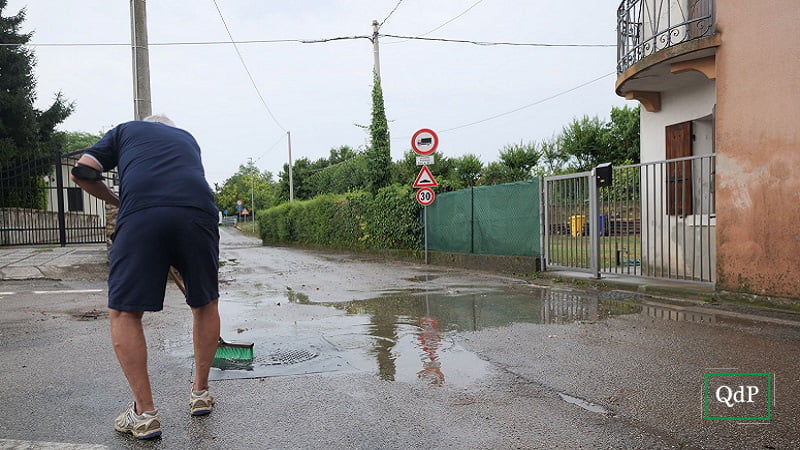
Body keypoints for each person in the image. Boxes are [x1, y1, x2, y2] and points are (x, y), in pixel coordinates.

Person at [71, 114, 220, 440]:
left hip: (143, 213)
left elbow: (83, 171)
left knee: (125, 311)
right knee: (205, 302)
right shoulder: (188, 139)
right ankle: (201, 394)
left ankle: (145, 414)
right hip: (199, 212)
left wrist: (119, 201)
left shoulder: (126, 130)